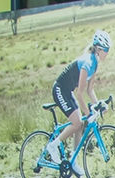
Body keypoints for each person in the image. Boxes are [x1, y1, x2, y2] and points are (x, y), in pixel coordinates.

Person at [44, 30, 111, 170]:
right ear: (99, 49)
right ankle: (52, 146)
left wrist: (98, 105)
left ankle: (73, 161)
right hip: (59, 89)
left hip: (68, 91)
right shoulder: (87, 63)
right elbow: (80, 93)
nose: (108, 53)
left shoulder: (96, 64)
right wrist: (88, 113)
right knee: (77, 123)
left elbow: (90, 90)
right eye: (106, 50)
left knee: (79, 125)